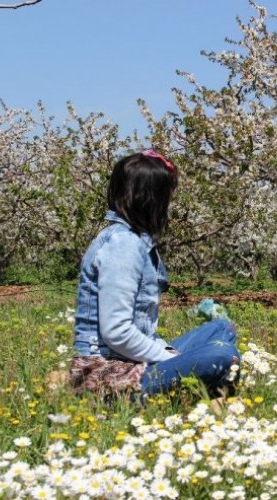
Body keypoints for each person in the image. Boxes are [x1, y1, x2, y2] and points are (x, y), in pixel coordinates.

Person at [69, 150, 239, 404]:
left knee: (221, 328)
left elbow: (140, 332)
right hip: (109, 372)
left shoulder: (133, 241)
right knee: (222, 355)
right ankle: (119, 400)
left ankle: (203, 390)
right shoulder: (123, 246)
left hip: (131, 360)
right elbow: (117, 333)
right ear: (152, 199)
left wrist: (169, 352)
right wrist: (170, 358)